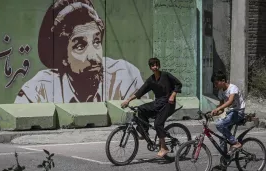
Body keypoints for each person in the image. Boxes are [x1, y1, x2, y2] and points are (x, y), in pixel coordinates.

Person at [14, 0, 148, 103]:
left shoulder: (124, 77)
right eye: (80, 46)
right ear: (63, 58)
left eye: (96, 42)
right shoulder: (39, 90)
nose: (94, 57)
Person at [121, 57, 182, 158]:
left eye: (157, 65)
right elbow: (140, 91)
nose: (155, 67)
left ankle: (164, 147)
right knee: (140, 109)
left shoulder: (166, 75)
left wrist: (173, 95)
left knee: (158, 123)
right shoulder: (151, 80)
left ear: (159, 65)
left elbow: (178, 84)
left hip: (168, 103)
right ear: (150, 67)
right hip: (158, 103)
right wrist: (128, 100)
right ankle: (144, 131)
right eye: (153, 65)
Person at [211, 71, 246, 154]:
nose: (215, 86)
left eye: (216, 83)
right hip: (230, 113)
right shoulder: (221, 92)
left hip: (238, 112)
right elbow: (222, 109)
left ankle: (236, 143)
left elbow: (230, 101)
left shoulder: (233, 88)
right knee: (222, 137)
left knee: (219, 124)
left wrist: (218, 108)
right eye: (214, 84)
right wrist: (214, 112)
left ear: (223, 81)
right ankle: (225, 158)